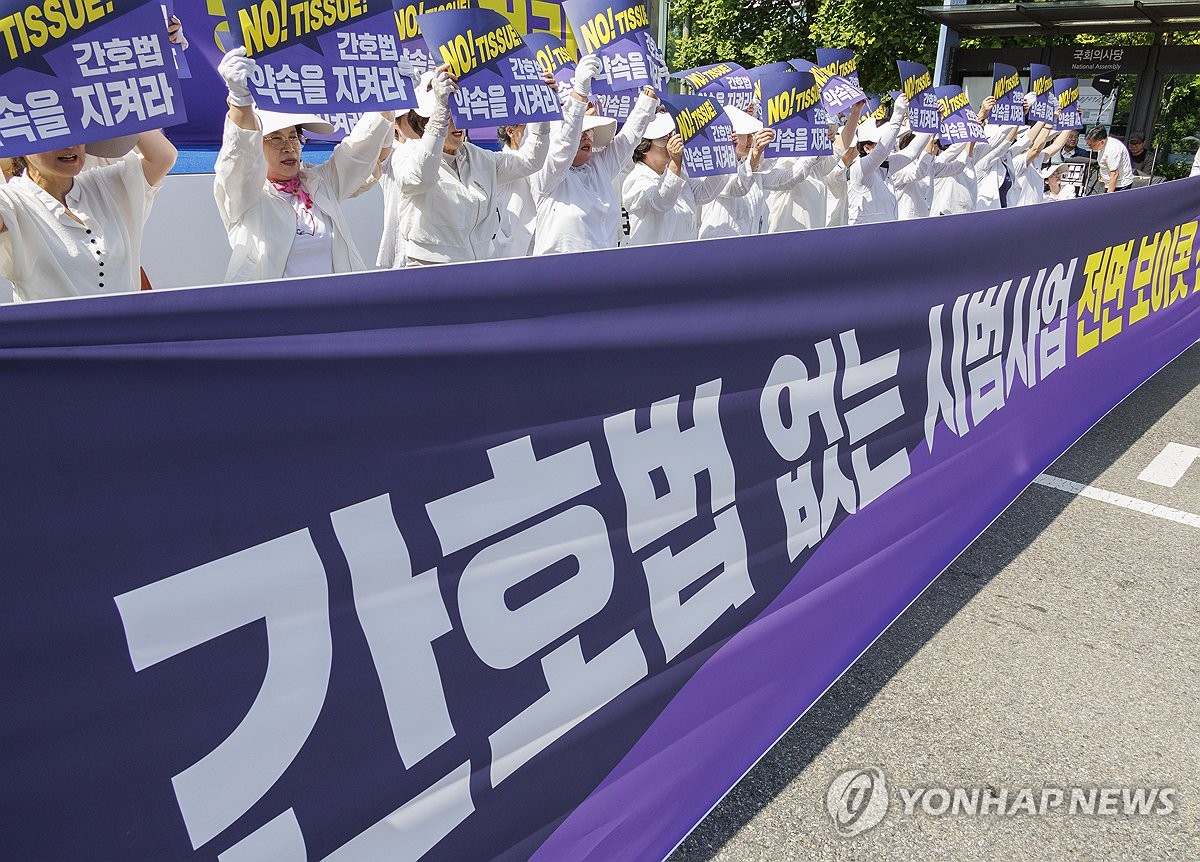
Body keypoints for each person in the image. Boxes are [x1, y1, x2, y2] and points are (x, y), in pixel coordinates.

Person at [213, 47, 396, 281]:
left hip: (335, 308)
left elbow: (358, 151)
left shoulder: (317, 183)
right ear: (256, 145)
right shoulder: (246, 197)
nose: (288, 147)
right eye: (276, 138)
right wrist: (239, 100)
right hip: (273, 312)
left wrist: (389, 95)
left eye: (293, 136)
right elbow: (239, 161)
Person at [393, 67, 550, 265]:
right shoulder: (407, 153)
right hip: (430, 269)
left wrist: (542, 111)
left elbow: (530, 161)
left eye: (459, 111)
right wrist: (441, 111)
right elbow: (420, 178)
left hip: (479, 268)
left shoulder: (478, 157)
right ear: (427, 121)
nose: (456, 122)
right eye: (447, 114)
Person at [0, 130, 176, 302]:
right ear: (20, 141)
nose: (69, 145)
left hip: (127, 328)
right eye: (53, 136)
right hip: (53, 331)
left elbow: (164, 156)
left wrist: (106, 102)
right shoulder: (11, 200)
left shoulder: (104, 184)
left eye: (76, 132)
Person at [531, 54, 658, 256]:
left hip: (601, 275)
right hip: (557, 278)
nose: (587, 137)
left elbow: (628, 139)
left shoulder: (599, 167)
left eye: (589, 132)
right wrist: (580, 93)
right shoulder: (548, 174)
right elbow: (564, 147)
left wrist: (650, 95)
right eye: (580, 133)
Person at [846, 93, 909, 225]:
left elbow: (912, 152)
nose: (891, 146)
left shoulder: (885, 166)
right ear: (867, 148)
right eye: (881, 142)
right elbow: (882, 151)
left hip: (885, 238)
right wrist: (897, 114)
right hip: (864, 240)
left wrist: (931, 126)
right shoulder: (859, 168)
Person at [1085, 126, 1133, 193]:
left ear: (1101, 142)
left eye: (1092, 145)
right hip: (1108, 183)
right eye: (1088, 145)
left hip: (1120, 184)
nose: (1090, 148)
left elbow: (1115, 174)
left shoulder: (1112, 149)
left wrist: (1109, 193)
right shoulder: (1103, 144)